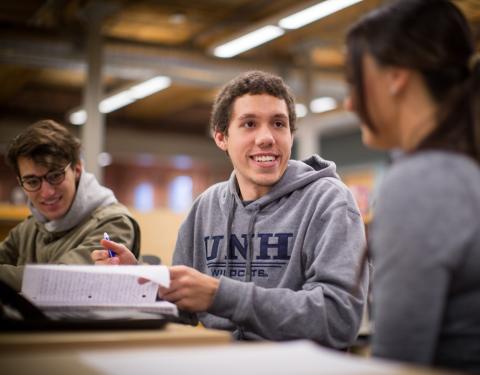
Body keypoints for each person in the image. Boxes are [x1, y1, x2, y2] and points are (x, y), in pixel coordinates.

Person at [94, 71, 368, 348]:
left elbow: (339, 318)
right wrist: (142, 282)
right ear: (221, 137)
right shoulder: (206, 207)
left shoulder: (328, 201)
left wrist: (221, 295)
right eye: (249, 124)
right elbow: (184, 309)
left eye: (278, 124)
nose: (267, 138)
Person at [344, 0, 480, 372]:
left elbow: (399, 363)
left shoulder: (422, 182)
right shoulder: (462, 169)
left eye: (356, 80)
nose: (350, 101)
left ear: (396, 77)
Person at [0, 119, 140, 291]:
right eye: (32, 181)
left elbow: (62, 281)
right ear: (20, 182)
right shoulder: (27, 230)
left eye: (55, 176)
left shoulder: (114, 224)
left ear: (77, 170)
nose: (47, 192)